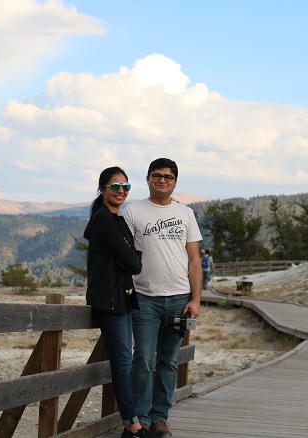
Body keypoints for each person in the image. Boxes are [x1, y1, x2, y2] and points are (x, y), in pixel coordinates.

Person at [122, 158, 203, 438]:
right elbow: (123, 255)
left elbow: (194, 259)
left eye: (168, 177)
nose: (162, 180)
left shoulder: (186, 214)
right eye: (157, 176)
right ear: (147, 179)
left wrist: (196, 299)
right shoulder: (133, 212)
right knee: (142, 359)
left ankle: (160, 419)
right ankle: (140, 420)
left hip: (179, 297)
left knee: (168, 361)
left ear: (175, 182)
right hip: (145, 296)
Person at [83, 166, 148, 438]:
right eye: (115, 186)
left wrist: (132, 256)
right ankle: (133, 425)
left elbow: (131, 259)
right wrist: (132, 256)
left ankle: (131, 424)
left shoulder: (116, 219)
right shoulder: (103, 220)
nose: (121, 191)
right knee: (123, 363)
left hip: (121, 299)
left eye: (126, 186)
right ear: (102, 189)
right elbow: (133, 262)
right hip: (110, 301)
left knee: (129, 361)